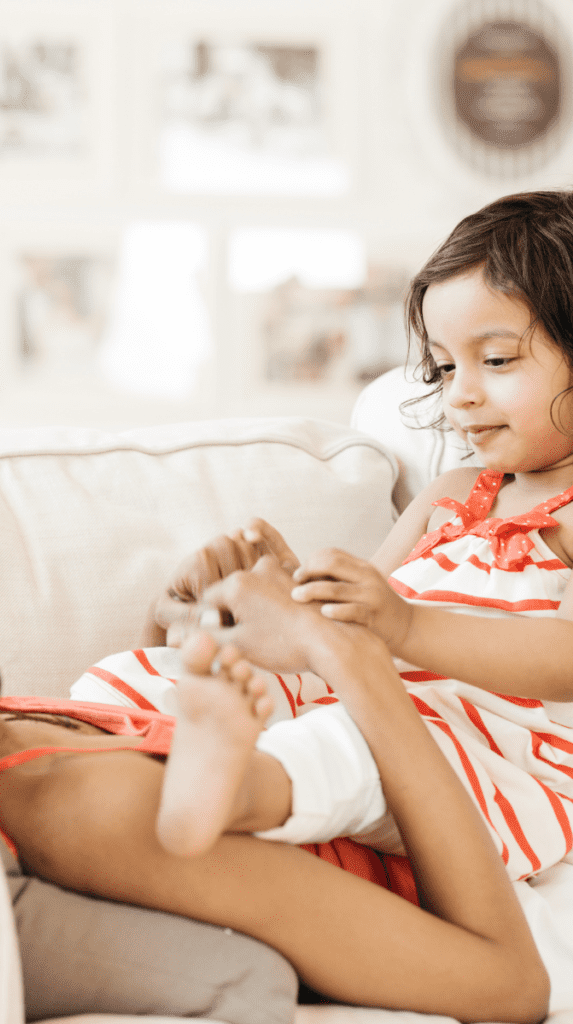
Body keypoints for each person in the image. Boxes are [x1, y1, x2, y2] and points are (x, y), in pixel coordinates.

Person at [0, 446, 548, 1023]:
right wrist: (340, 647)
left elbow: (136, 740)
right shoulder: (81, 808)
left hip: (242, 778)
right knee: (337, 743)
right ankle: (242, 772)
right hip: (405, 841)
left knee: (114, 683)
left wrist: (179, 629)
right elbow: (508, 986)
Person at [92, 190, 573, 884]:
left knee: (346, 746)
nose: (457, 394)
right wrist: (289, 599)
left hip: (494, 760)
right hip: (367, 703)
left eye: (494, 361)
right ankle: (123, 750)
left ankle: (227, 791)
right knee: (145, 674)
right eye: (443, 367)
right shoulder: (450, 497)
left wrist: (404, 626)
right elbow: (356, 625)